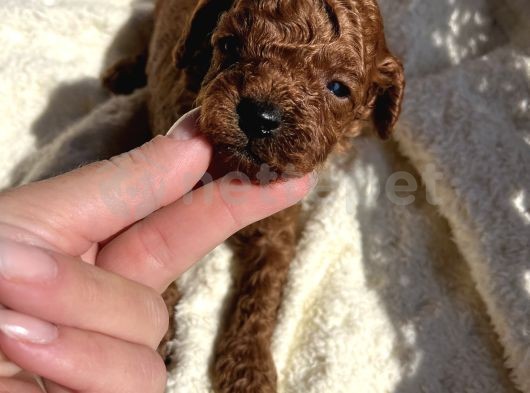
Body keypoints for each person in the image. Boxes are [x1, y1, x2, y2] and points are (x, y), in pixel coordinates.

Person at [0, 109, 313, 393]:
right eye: (233, 48)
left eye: (337, 88)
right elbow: (142, 241)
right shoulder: (195, 136)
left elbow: (272, 246)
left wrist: (248, 344)